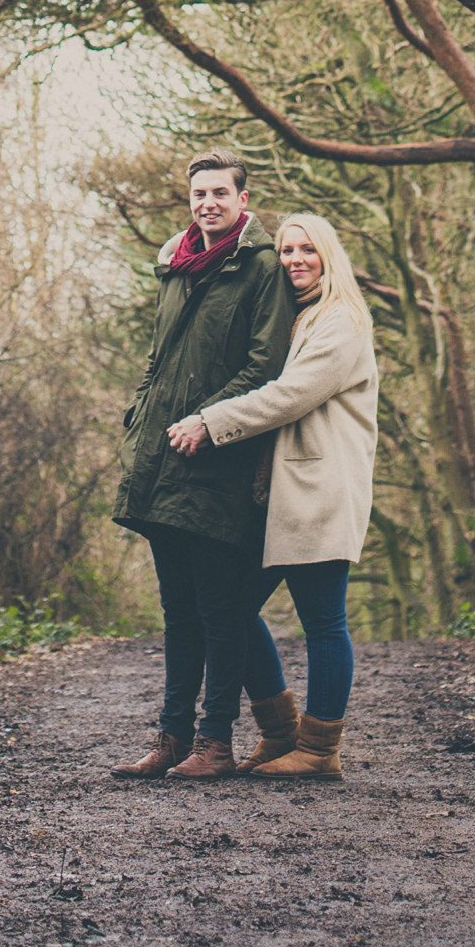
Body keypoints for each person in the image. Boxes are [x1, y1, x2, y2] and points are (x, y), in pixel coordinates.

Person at [167, 210, 377, 783]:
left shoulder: (341, 322)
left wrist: (210, 421)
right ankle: (280, 731)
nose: (294, 261)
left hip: (320, 487)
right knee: (231, 608)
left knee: (323, 621)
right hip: (280, 492)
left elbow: (289, 395)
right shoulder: (301, 316)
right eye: (285, 251)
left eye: (306, 250)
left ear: (328, 255)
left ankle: (319, 748)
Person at [111, 150, 291, 779]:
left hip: (220, 461)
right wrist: (140, 417)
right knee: (177, 609)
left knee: (220, 608)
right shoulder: (175, 266)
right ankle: (171, 737)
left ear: (243, 200)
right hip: (161, 457)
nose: (208, 203)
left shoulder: (262, 267)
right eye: (199, 194)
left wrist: (206, 422)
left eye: (220, 192)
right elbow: (158, 362)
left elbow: (264, 367)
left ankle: (216, 742)